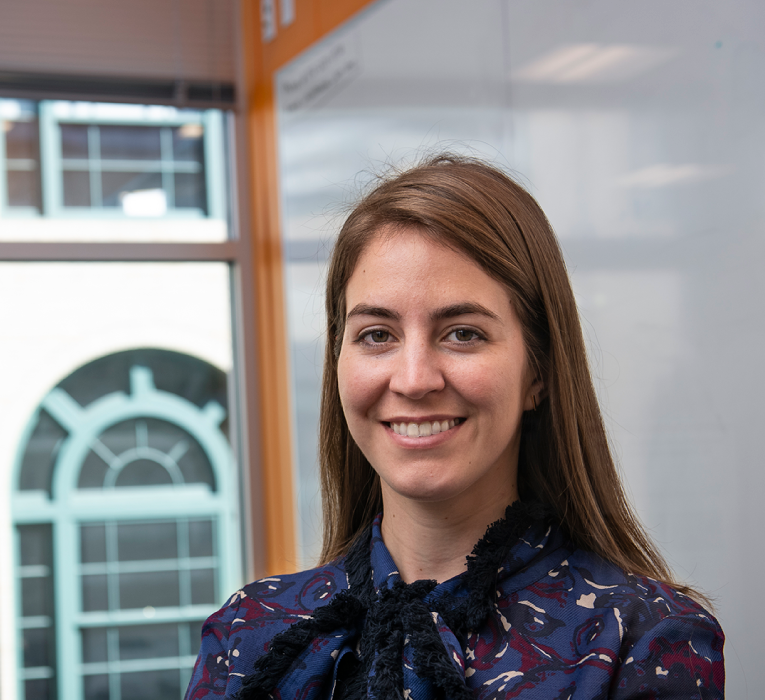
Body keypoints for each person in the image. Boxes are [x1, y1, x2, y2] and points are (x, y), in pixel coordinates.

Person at [185, 155, 724, 700]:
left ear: (538, 371)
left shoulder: (644, 642)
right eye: (376, 335)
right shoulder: (246, 636)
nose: (414, 380)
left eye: (463, 333)